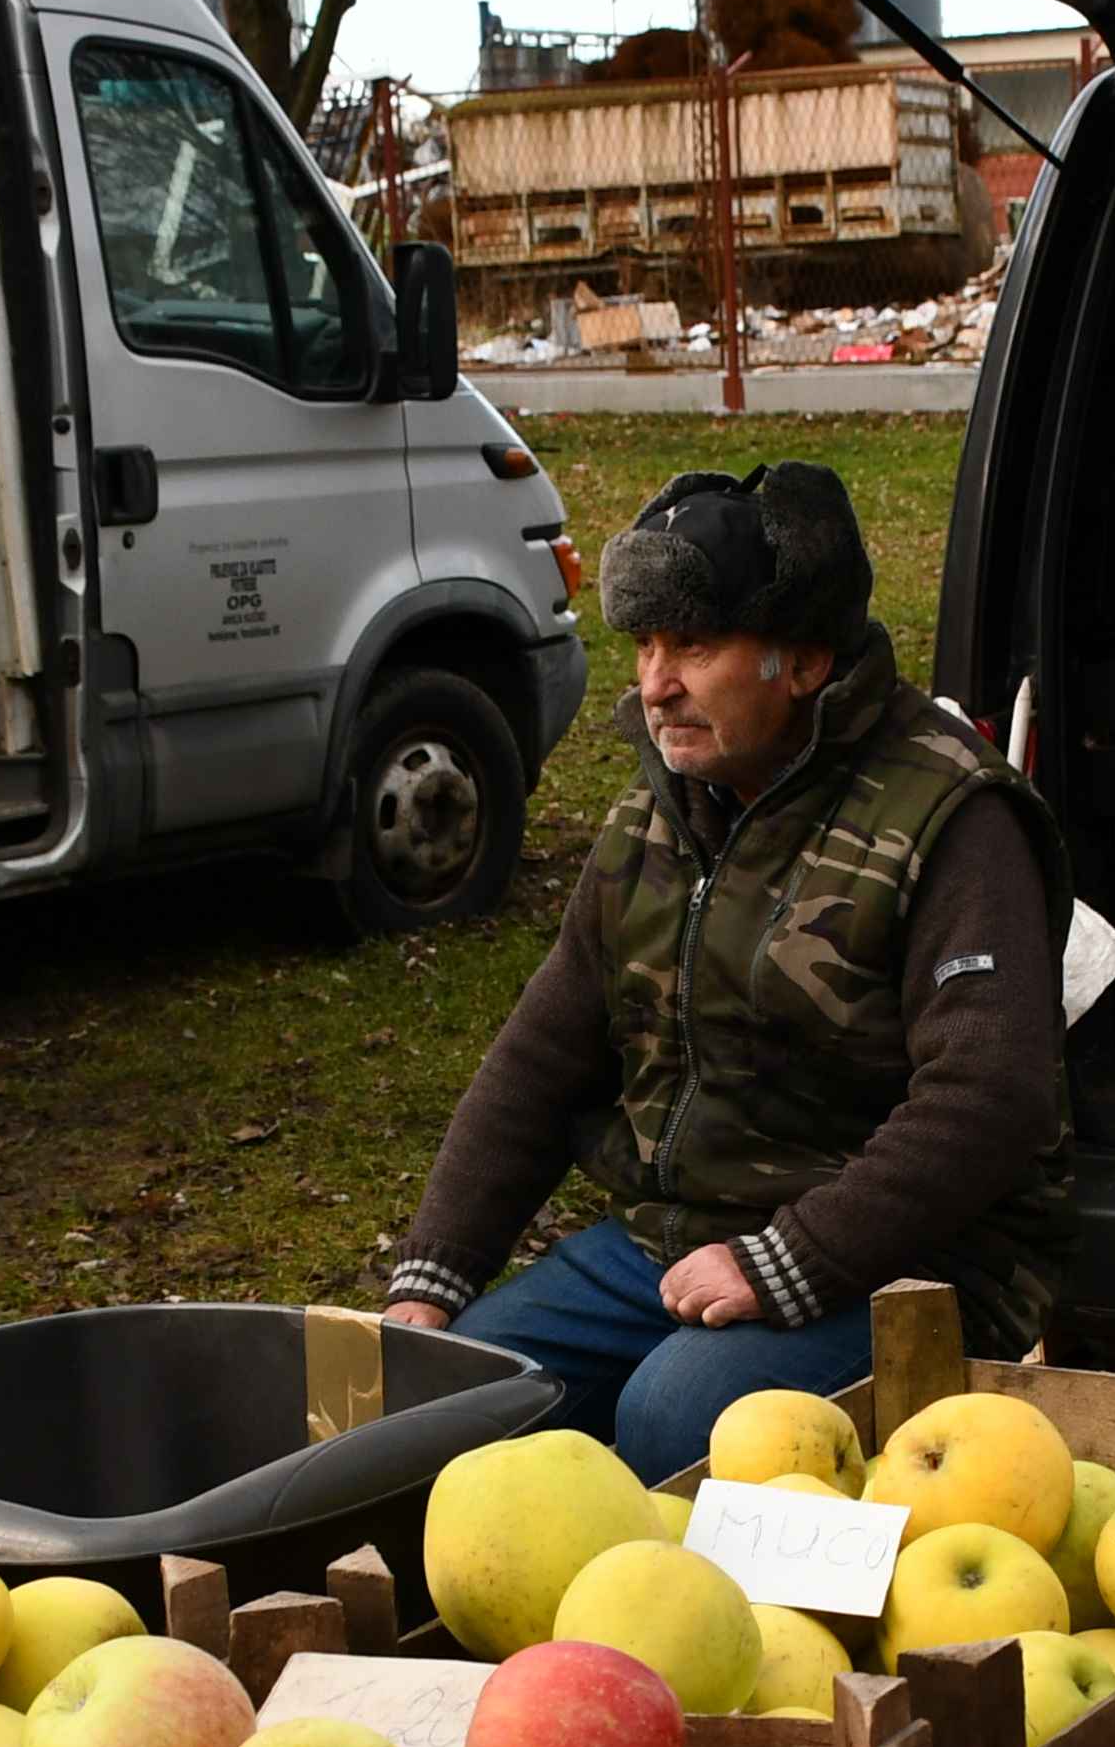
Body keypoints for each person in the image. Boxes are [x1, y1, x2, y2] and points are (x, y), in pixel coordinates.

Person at [381, 460, 1074, 1474]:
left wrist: (791, 1261)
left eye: (695, 645)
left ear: (801, 661)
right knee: (458, 1402)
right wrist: (430, 1279)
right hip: (676, 1241)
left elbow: (992, 1097)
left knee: (681, 1417)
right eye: (646, 645)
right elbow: (542, 1059)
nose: (656, 683)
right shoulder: (655, 815)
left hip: (918, 1262)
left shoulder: (953, 817)